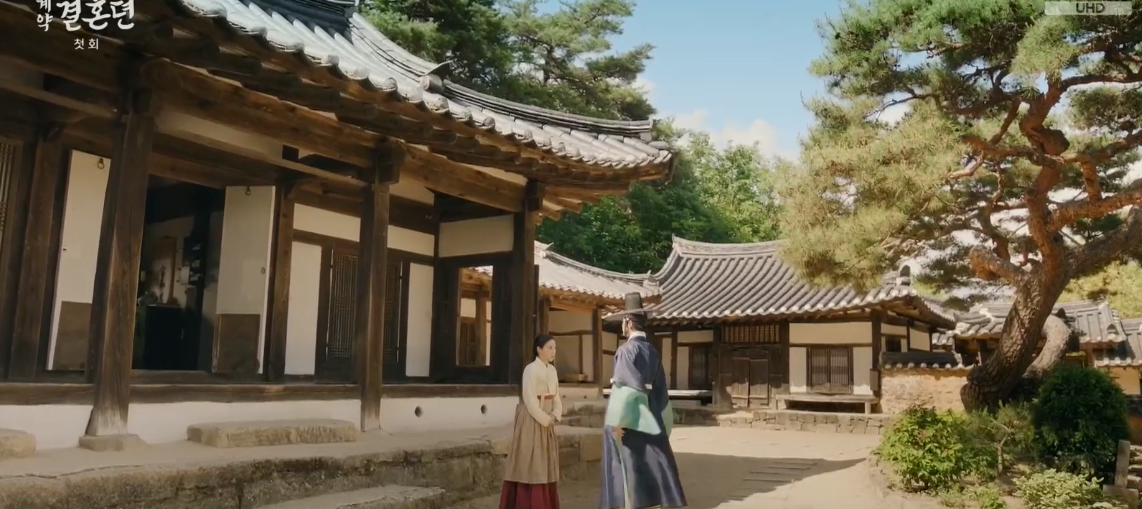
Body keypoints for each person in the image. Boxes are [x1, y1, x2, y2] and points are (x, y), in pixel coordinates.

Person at [600, 293, 686, 509]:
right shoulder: (653, 351)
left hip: (630, 424)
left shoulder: (626, 351)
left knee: (629, 478)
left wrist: (617, 424)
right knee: (650, 475)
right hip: (653, 418)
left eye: (623, 321)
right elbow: (662, 393)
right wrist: (663, 425)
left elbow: (626, 391)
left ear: (628, 322)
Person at [500, 334, 563, 509]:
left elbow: (557, 396)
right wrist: (545, 419)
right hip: (531, 419)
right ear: (539, 349)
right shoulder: (530, 370)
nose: (553, 351)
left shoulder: (552, 371)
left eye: (554, 348)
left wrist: (555, 415)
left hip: (548, 418)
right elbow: (529, 399)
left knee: (544, 462)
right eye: (550, 348)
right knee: (529, 460)